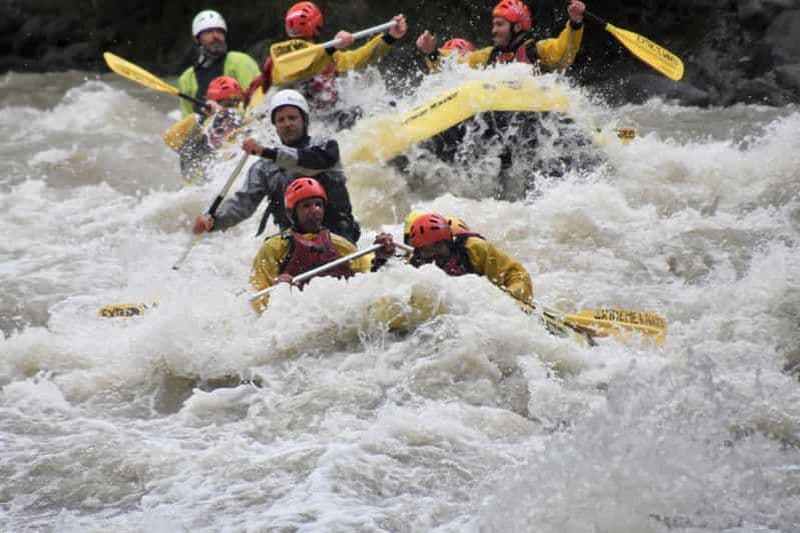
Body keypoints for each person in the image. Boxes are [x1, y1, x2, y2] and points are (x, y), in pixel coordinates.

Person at [193, 89, 361, 243]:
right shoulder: (263, 167)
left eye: (292, 118)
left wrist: (268, 152)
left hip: (338, 237)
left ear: (304, 120)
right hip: (295, 245)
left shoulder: (325, 146)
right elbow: (243, 204)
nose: (287, 124)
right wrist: (214, 221)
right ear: (275, 126)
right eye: (281, 120)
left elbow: (310, 162)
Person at [249, 177, 394, 311]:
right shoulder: (274, 247)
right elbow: (255, 294)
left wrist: (380, 256)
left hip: (335, 311)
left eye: (318, 204)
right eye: (306, 206)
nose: (315, 210)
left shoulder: (338, 243)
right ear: (293, 213)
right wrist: (277, 290)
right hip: (296, 316)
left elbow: (366, 270)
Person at [245, 2, 407, 116]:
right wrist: (331, 48)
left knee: (373, 109)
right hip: (297, 127)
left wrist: (389, 37)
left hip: (328, 120)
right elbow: (301, 66)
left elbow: (360, 59)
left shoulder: (330, 55)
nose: (324, 72)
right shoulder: (281, 61)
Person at [416, 0, 585, 73]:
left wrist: (575, 23)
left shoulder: (537, 50)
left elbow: (565, 55)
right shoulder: (488, 55)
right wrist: (432, 53)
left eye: (500, 24)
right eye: (494, 24)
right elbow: (456, 66)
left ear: (517, 26)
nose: (493, 30)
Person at [401, 212, 533, 303]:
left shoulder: (474, 248)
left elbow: (516, 274)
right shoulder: (417, 262)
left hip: (491, 303)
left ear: (448, 241)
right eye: (427, 250)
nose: (434, 253)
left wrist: (509, 296)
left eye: (437, 246)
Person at [164, 76, 246, 185]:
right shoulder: (196, 120)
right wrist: (203, 119)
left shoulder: (239, 125)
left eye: (235, 105)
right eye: (227, 105)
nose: (232, 110)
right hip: (193, 189)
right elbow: (170, 140)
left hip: (220, 187)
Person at [178, 9, 260, 117]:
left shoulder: (240, 62)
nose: (216, 36)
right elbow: (187, 120)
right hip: (208, 132)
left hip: (242, 129)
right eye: (209, 32)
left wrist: (222, 113)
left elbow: (256, 105)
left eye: (219, 31)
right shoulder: (186, 79)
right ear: (197, 39)